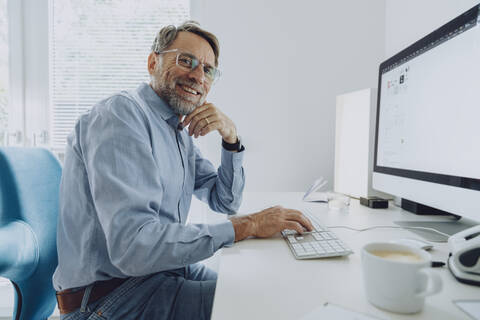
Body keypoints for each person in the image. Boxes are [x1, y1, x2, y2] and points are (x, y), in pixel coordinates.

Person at [53, 21, 313, 320]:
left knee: (269, 288)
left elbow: (225, 201)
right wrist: (247, 225)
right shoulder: (121, 117)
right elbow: (134, 249)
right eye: (185, 61)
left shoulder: (176, 131)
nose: (197, 76)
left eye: (208, 69)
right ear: (153, 62)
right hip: (111, 298)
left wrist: (231, 138)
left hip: (154, 275)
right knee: (264, 307)